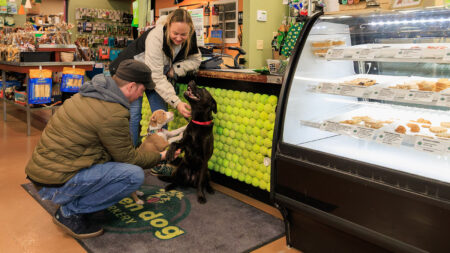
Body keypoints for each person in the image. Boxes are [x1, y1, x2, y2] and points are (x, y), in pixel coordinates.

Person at [25, 59, 175, 239]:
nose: (140, 96)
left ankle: (72, 202)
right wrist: (162, 156)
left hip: (44, 174)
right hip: (54, 183)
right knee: (133, 175)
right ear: (132, 87)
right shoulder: (113, 112)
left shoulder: (92, 93)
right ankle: (70, 212)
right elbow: (129, 158)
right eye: (142, 91)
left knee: (115, 163)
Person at [110, 9, 201, 147]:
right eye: (175, 33)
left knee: (162, 116)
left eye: (183, 34)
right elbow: (156, 77)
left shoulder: (190, 37)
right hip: (132, 74)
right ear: (168, 26)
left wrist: (175, 69)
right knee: (134, 115)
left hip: (154, 74)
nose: (178, 38)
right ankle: (131, 157)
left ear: (190, 31)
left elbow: (196, 60)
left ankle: (159, 159)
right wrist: (177, 103)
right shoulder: (156, 36)